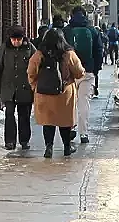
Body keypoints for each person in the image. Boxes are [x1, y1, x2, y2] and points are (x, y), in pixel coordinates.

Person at [28, 26, 85, 158]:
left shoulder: (39, 54)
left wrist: (35, 86)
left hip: (43, 93)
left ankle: (49, 146)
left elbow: (31, 73)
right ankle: (66, 147)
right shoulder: (68, 54)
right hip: (64, 93)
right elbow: (79, 72)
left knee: (48, 122)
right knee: (64, 122)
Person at [0, 27, 35, 152]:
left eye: (19, 39)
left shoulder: (30, 49)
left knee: (24, 115)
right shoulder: (3, 49)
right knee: (9, 114)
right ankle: (10, 141)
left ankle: (24, 140)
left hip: (25, 88)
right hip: (8, 88)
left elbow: (37, 65)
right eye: (13, 39)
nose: (16, 42)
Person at [65, 5, 103, 97]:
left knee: (70, 102)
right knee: (84, 101)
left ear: (71, 15)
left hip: (70, 71)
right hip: (88, 71)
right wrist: (95, 69)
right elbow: (99, 51)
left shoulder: (65, 31)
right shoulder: (93, 31)